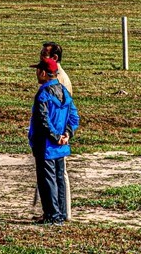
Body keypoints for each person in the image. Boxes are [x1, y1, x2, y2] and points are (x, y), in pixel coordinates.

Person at [28, 58, 80, 225]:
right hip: (61, 146)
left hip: (47, 145)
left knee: (47, 181)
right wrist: (67, 134)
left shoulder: (43, 94)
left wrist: (55, 137)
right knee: (58, 180)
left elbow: (42, 121)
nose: (36, 73)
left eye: (38, 70)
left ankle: (52, 215)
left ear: (43, 73)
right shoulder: (64, 92)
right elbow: (74, 117)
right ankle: (61, 213)